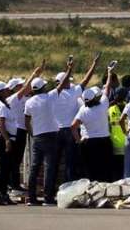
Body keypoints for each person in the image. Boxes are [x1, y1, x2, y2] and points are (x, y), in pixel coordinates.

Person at [51, 54, 100, 183]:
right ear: (65, 81)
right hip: (70, 130)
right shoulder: (73, 92)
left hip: (55, 131)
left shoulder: (52, 95)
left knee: (53, 163)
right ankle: (69, 187)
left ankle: (50, 191)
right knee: (70, 162)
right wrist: (94, 64)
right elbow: (86, 79)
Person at [24, 60, 60, 206]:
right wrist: (69, 69)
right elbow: (61, 86)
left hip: (37, 136)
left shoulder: (29, 102)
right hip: (51, 135)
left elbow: (26, 120)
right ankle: (48, 197)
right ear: (43, 88)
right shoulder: (49, 97)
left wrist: (32, 133)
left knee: (35, 167)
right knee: (49, 167)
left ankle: (31, 198)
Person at [71, 77, 113, 182]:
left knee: (90, 171)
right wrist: (109, 73)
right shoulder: (103, 105)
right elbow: (107, 88)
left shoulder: (83, 110)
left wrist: (78, 140)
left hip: (89, 142)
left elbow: (73, 126)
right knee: (105, 170)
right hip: (104, 141)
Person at [0, 81, 18, 205]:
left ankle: (3, 193)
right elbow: (1, 124)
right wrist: (7, 140)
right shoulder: (1, 106)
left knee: (6, 168)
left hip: (6, 137)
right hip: (3, 138)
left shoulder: (4, 103)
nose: (9, 91)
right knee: (3, 168)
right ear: (1, 92)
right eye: (6, 89)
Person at [5, 77, 28, 193]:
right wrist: (34, 74)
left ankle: (12, 184)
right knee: (16, 159)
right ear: (15, 88)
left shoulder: (21, 98)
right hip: (18, 130)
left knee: (17, 160)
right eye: (20, 85)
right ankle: (14, 184)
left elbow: (28, 89)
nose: (22, 87)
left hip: (22, 130)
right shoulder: (13, 98)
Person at [108, 86, 128, 181]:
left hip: (114, 143)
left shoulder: (110, 109)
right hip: (127, 143)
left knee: (116, 173)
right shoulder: (129, 107)